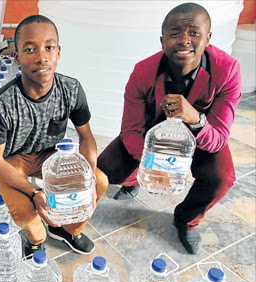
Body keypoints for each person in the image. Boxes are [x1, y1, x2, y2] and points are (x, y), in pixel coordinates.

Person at [97, 3, 241, 254]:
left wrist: (195, 119)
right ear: (162, 41)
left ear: (208, 38)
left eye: (194, 33)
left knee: (221, 178)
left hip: (200, 135)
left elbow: (218, 139)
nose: (184, 40)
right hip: (153, 135)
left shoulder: (228, 70)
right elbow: (130, 130)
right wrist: (153, 167)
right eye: (175, 33)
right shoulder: (143, 71)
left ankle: (186, 219)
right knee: (105, 169)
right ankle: (134, 181)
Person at [0, 15, 109, 257]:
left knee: (100, 181)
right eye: (30, 49)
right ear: (17, 56)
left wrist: (88, 177)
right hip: (12, 161)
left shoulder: (70, 89)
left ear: (58, 52)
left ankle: (67, 230)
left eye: (49, 47)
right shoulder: (2, 104)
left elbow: (86, 137)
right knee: (27, 211)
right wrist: (34, 192)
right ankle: (36, 240)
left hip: (50, 155)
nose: (42, 57)